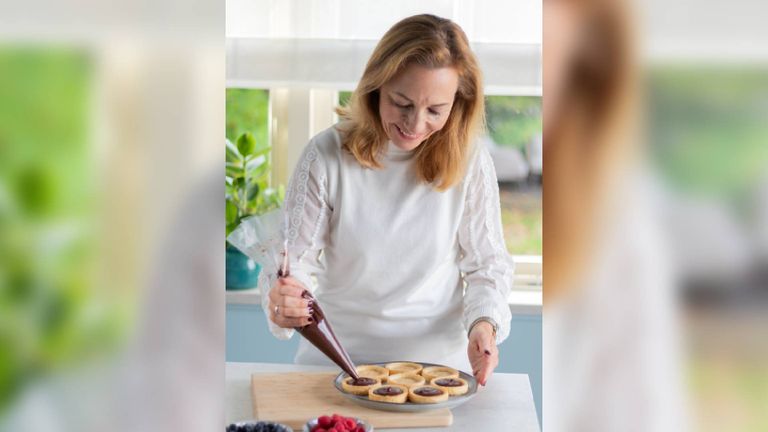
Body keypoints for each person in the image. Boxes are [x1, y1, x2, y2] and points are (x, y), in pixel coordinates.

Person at [262, 14, 513, 385]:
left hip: (437, 374)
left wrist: (484, 325)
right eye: (402, 103)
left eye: (435, 111)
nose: (414, 125)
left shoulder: (470, 161)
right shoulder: (327, 154)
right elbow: (291, 263)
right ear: (376, 87)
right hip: (334, 367)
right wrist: (285, 301)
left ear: (457, 104)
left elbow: (487, 267)